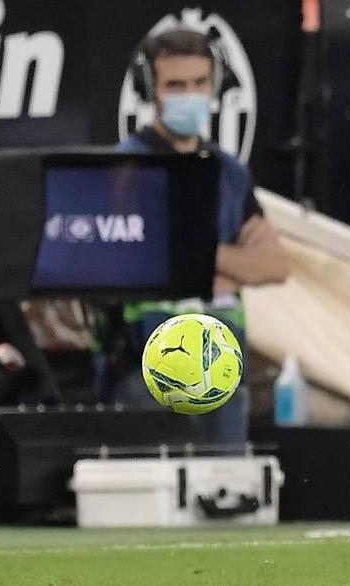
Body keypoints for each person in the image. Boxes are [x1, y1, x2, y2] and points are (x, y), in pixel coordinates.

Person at [111, 26, 290, 444]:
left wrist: (184, 252)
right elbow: (131, 261)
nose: (189, 94)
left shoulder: (229, 171)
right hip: (146, 375)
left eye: (199, 83)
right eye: (175, 85)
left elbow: (275, 266)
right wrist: (230, 262)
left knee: (226, 498)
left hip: (221, 375)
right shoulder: (122, 171)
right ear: (150, 90)